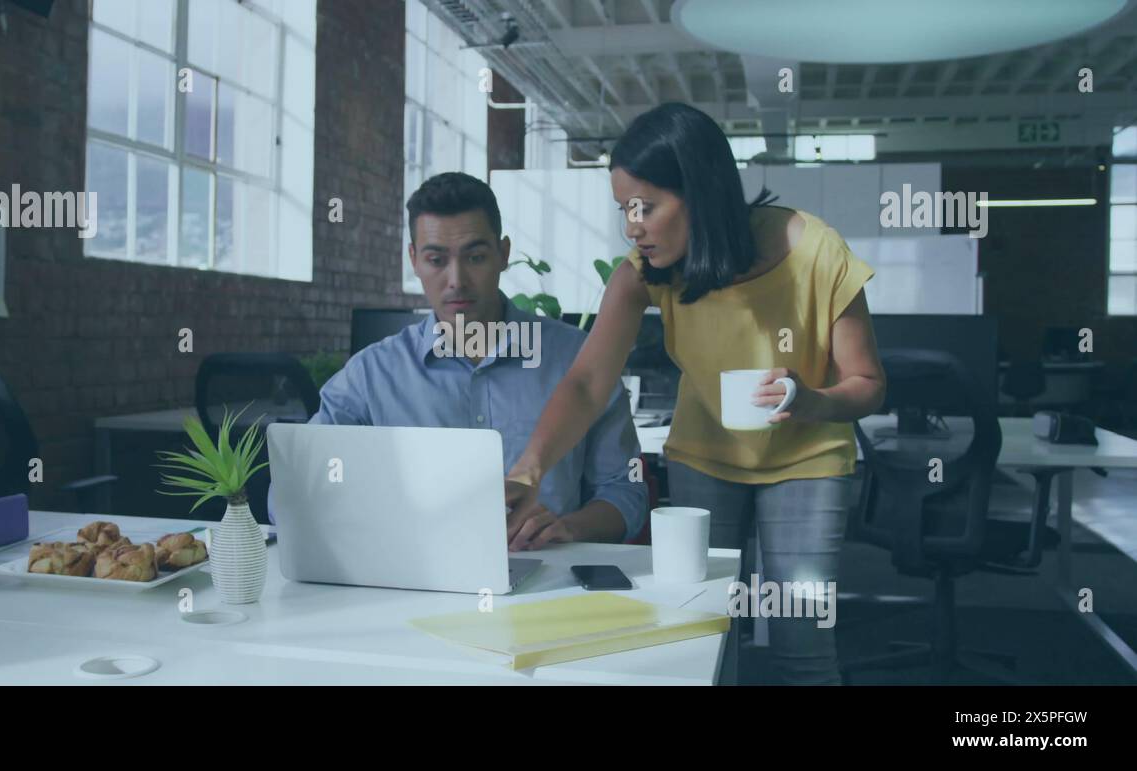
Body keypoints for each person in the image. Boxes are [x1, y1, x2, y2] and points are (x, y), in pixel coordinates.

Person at [503, 104, 886, 684]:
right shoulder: (644, 272)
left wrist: (810, 400)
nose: (631, 226)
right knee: (704, 637)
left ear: (700, 192)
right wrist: (529, 468)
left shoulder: (815, 252)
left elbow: (868, 384)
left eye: (647, 207)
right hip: (704, 461)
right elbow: (586, 383)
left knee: (802, 646)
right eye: (624, 209)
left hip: (808, 463)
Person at [271, 172, 647, 545]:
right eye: (436, 260)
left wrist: (569, 528)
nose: (457, 280)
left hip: (547, 574)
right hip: (410, 580)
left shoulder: (581, 360)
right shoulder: (371, 377)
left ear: (503, 254)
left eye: (476, 257)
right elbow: (293, 491)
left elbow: (625, 490)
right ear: (414, 260)